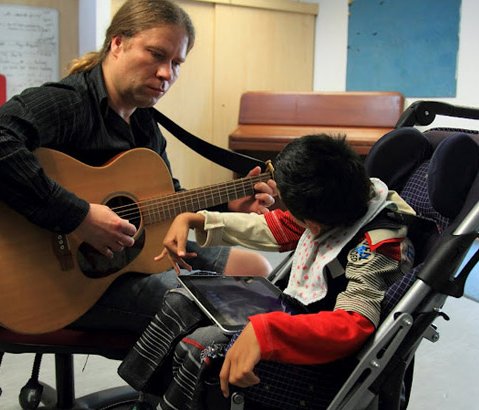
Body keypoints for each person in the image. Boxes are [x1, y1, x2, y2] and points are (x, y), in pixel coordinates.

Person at [0, 0, 276, 335]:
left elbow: (162, 200)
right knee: (218, 307)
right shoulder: (67, 103)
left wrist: (226, 204)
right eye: (156, 54)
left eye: (176, 63)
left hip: (123, 260)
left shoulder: (145, 122)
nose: (167, 73)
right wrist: (78, 216)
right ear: (117, 43)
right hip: (59, 281)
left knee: (254, 271)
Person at [117, 134, 416, 409]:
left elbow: (354, 324)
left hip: (316, 345)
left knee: (203, 347)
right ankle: (149, 399)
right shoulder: (343, 198)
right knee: (182, 300)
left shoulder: (378, 247)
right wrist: (197, 219)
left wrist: (268, 331)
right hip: (295, 310)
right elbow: (280, 227)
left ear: (313, 224)